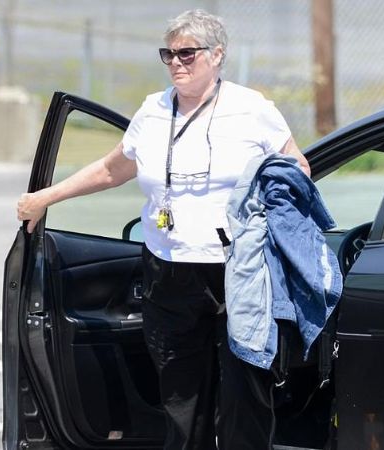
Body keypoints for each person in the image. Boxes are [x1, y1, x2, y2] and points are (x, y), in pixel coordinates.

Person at [17, 9, 310, 450]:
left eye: (187, 54)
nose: (176, 63)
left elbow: (297, 167)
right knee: (180, 398)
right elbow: (113, 169)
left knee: (243, 392)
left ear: (216, 55)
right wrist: (46, 197)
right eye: (168, 54)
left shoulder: (251, 109)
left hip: (239, 270)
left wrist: (270, 218)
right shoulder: (153, 110)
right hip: (169, 270)